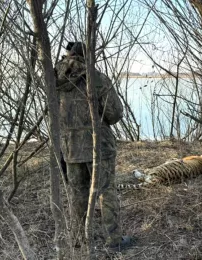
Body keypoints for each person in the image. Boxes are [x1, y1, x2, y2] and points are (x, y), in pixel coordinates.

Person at [54, 41, 131, 251]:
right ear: (87, 56)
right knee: (106, 192)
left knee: (77, 193)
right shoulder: (95, 78)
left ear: (67, 55)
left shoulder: (53, 78)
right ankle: (114, 241)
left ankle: (79, 240)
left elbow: (52, 116)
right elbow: (114, 114)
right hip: (99, 147)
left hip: (69, 147)